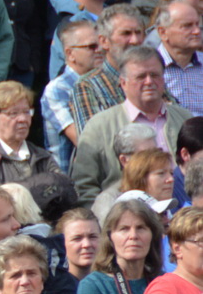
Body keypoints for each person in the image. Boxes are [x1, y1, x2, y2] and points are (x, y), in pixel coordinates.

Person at [73, 46, 191, 203]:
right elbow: (84, 187)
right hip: (125, 218)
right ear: (123, 83)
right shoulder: (99, 127)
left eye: (154, 75)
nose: (149, 81)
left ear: (163, 79)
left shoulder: (184, 119)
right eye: (141, 77)